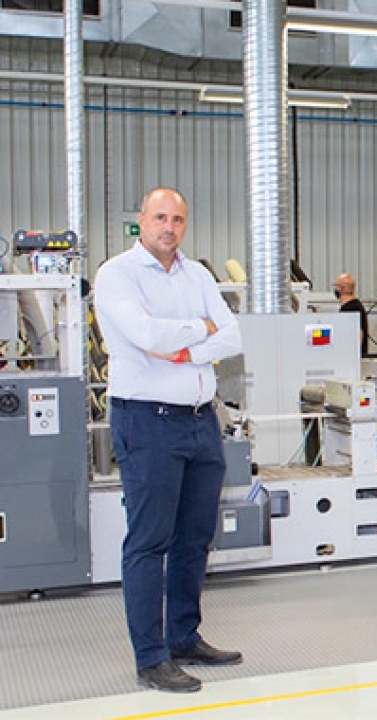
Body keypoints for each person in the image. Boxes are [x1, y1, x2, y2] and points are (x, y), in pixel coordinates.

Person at [94, 187, 245, 693]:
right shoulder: (116, 275)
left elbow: (231, 336)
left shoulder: (197, 274)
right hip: (148, 421)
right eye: (160, 217)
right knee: (149, 541)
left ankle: (183, 636)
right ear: (141, 221)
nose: (169, 227)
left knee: (193, 539)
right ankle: (151, 657)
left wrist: (187, 349)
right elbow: (145, 335)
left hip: (202, 422)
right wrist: (197, 333)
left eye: (177, 219)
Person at [333, 273, 369, 357]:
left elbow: (358, 334)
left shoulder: (350, 309)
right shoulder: (355, 305)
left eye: (336, 286)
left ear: (341, 288)